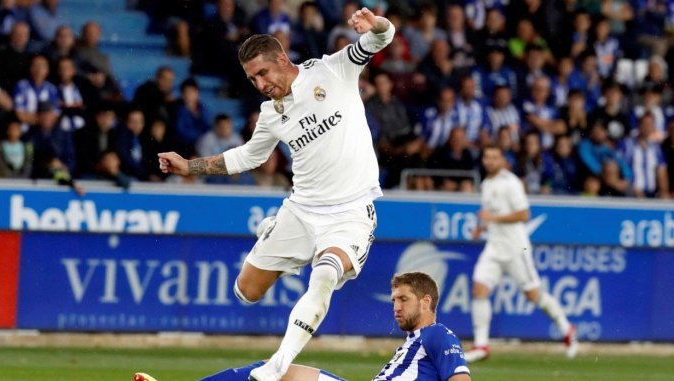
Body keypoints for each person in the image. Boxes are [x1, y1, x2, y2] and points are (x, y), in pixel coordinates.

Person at [157, 7, 392, 381]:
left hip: (349, 213)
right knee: (245, 292)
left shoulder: (332, 70)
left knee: (325, 275)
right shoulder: (270, 113)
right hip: (300, 210)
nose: (261, 84)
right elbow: (248, 156)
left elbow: (381, 37)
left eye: (264, 73)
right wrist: (190, 166)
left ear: (283, 58)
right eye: (252, 79)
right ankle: (277, 238)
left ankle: (278, 363)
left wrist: (375, 25)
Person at [135, 272, 471, 381]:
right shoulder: (416, 341)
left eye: (404, 300)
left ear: (426, 302)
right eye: (394, 300)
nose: (396, 307)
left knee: (274, 372)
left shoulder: (438, 335)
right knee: (273, 370)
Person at [465, 144, 579, 363]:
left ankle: (567, 328)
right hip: (494, 247)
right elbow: (492, 214)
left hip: (516, 248)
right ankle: (481, 345)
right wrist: (482, 228)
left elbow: (524, 214)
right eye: (486, 157)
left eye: (494, 157)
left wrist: (493, 219)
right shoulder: (487, 183)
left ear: (502, 161)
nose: (489, 161)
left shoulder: (512, 183)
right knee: (479, 288)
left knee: (533, 295)